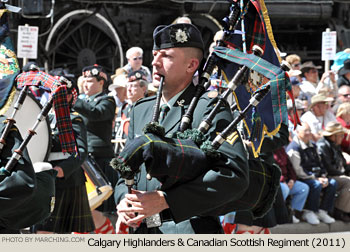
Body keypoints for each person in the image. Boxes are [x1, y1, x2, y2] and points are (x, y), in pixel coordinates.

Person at [114, 23, 249, 233]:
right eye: (155, 54)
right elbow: (127, 170)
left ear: (191, 65)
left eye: (166, 56)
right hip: (142, 231)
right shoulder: (140, 109)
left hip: (188, 229)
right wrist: (124, 200)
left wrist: (166, 200)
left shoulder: (208, 107)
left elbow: (233, 176)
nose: (155, 62)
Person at [35, 70, 95, 233]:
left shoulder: (74, 119)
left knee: (55, 234)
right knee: (42, 232)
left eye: (59, 94)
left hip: (66, 180)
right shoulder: (45, 119)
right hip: (45, 178)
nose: (53, 97)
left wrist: (60, 171)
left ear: (68, 97)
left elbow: (80, 153)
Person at [73, 64, 118, 234]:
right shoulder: (83, 101)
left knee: (100, 206)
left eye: (90, 81)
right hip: (83, 159)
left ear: (101, 82)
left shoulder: (107, 100)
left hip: (99, 159)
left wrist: (74, 101)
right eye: (84, 80)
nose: (86, 84)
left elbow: (96, 113)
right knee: (84, 204)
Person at [286, 122, 337, 225]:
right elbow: (298, 170)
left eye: (309, 130)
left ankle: (322, 211)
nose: (308, 133)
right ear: (297, 132)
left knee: (332, 183)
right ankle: (309, 211)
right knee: (316, 185)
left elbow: (320, 163)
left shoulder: (313, 145)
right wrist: (315, 178)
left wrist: (323, 176)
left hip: (315, 176)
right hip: (302, 178)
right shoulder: (294, 147)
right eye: (306, 131)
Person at [317, 122, 350, 222]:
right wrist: (344, 174)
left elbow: (343, 164)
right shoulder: (322, 146)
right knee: (348, 182)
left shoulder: (335, 145)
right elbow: (329, 168)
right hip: (329, 176)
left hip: (338, 174)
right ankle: (339, 211)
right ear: (333, 136)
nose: (342, 137)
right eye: (340, 135)